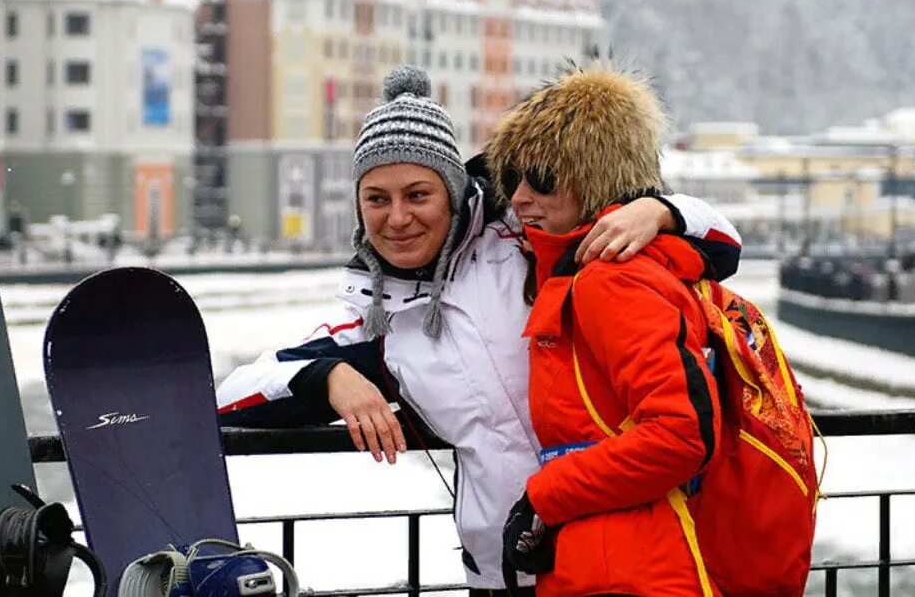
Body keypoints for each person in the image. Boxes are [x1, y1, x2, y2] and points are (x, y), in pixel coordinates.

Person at [217, 66, 741, 597]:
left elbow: (723, 244)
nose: (397, 218)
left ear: (452, 190)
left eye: (417, 195)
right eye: (376, 198)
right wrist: (328, 378)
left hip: (619, 554)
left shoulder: (528, 237)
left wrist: (659, 211)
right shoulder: (378, 323)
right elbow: (227, 398)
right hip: (501, 572)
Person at [490, 63, 723, 597]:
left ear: (595, 179)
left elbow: (679, 434)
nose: (520, 198)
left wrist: (544, 495)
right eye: (512, 179)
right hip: (611, 557)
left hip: (631, 567)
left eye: (542, 179)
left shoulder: (610, 280)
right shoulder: (580, 272)